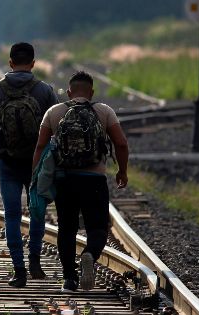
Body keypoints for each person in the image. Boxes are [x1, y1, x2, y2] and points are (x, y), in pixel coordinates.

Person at [32, 70, 129, 293]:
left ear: (68, 92)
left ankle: (69, 280)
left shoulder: (54, 112)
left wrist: (35, 178)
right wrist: (122, 171)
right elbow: (121, 143)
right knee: (98, 228)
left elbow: (40, 147)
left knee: (66, 228)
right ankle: (89, 254)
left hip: (65, 180)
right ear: (92, 92)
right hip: (94, 180)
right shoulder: (104, 111)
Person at [0, 42, 59, 287]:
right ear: (33, 63)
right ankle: (35, 260)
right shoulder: (44, 91)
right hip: (38, 164)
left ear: (11, 63)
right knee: (37, 212)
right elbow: (58, 128)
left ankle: (19, 269)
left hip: (7, 162)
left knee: (12, 216)